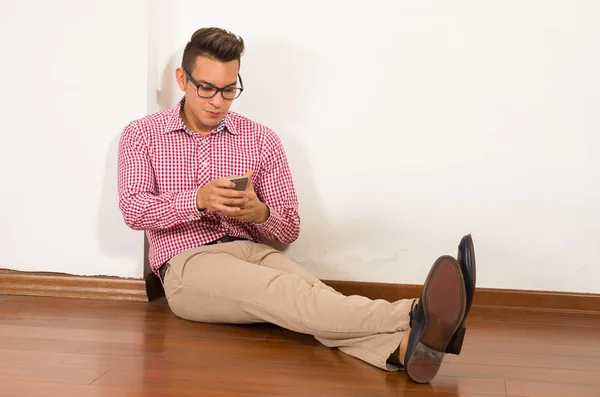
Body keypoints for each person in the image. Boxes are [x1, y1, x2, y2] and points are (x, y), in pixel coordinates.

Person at [117, 27, 476, 384]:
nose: (217, 101)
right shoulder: (141, 135)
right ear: (182, 78)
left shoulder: (260, 139)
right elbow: (133, 210)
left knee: (316, 299)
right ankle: (416, 312)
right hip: (187, 263)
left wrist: (260, 213)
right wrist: (197, 199)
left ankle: (404, 349)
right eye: (206, 88)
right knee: (291, 296)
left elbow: (289, 228)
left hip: (252, 251)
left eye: (229, 90)